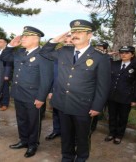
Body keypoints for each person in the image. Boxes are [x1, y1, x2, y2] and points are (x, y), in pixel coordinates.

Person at [40, 19, 111, 161]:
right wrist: (56, 39)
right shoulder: (63, 51)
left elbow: (103, 85)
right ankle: (67, 157)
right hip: (62, 103)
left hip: (83, 106)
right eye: (74, 32)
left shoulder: (100, 57)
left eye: (80, 32)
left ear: (89, 35)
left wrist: (97, 106)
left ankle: (81, 158)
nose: (75, 34)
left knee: (83, 136)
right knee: (66, 135)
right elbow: (44, 52)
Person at [0, 26, 53, 158]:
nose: (22, 38)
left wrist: (41, 98)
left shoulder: (43, 55)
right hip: (18, 93)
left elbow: (46, 79)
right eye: (23, 36)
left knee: (33, 122)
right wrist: (11, 45)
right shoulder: (20, 52)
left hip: (33, 96)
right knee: (21, 119)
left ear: (36, 39)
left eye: (26, 36)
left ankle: (32, 144)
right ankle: (23, 140)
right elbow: (4, 57)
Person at [104, 46, 136, 145]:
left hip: (126, 97)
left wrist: (134, 99)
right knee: (112, 116)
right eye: (122, 52)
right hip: (112, 96)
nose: (124, 54)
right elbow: (102, 60)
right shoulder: (114, 64)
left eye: (127, 53)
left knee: (123, 118)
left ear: (132, 54)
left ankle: (119, 135)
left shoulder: (135, 67)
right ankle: (111, 133)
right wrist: (107, 55)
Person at [45, 31, 73, 141]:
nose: (68, 43)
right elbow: (53, 73)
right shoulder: (59, 53)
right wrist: (51, 90)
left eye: (71, 41)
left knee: (70, 116)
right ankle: (56, 130)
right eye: (65, 41)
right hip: (57, 89)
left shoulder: (79, 55)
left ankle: (70, 135)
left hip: (71, 92)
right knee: (56, 112)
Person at [0, 38, 13, 111]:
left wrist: (6, 75)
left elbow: (9, 64)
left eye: (0, 41)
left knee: (5, 89)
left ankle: (5, 104)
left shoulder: (9, 52)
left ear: (6, 43)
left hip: (4, 73)